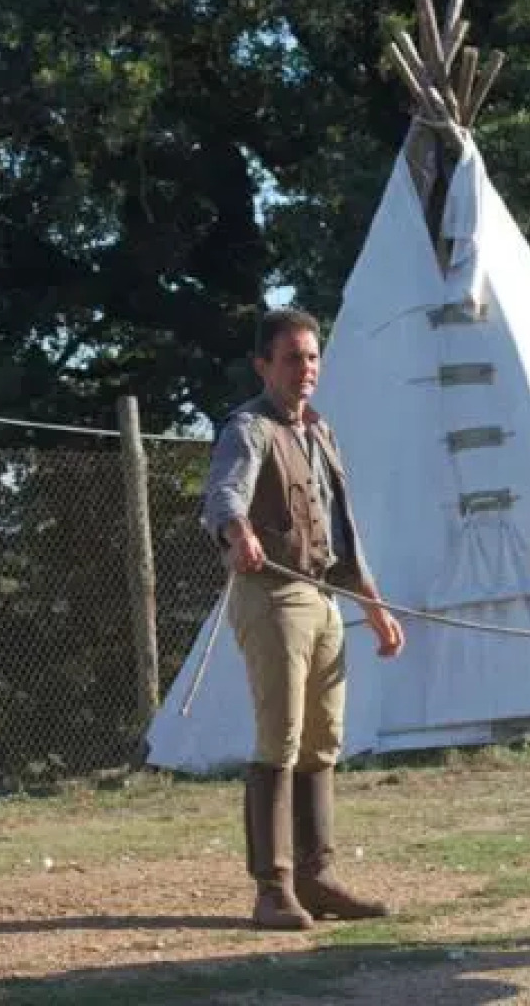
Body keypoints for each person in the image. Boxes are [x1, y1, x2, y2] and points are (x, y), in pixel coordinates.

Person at [201, 306, 406, 930]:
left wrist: (373, 607)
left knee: (323, 739)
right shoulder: (249, 428)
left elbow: (343, 532)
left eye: (312, 357)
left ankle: (317, 878)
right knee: (281, 739)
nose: (306, 369)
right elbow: (223, 494)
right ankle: (274, 888)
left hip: (322, 599)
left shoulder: (320, 433)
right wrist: (238, 532)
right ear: (263, 364)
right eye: (292, 358)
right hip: (273, 596)